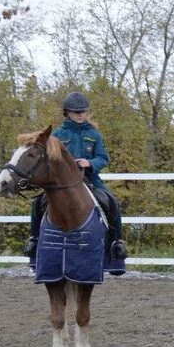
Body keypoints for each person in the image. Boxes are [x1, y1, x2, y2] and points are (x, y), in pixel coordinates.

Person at [24, 92, 127, 261]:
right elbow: (50, 159)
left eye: (83, 111)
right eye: (76, 112)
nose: (80, 114)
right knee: (37, 203)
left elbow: (103, 158)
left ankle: (116, 243)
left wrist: (89, 163)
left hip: (90, 179)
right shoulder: (57, 135)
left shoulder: (94, 135)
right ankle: (34, 240)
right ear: (67, 113)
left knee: (112, 202)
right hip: (62, 182)